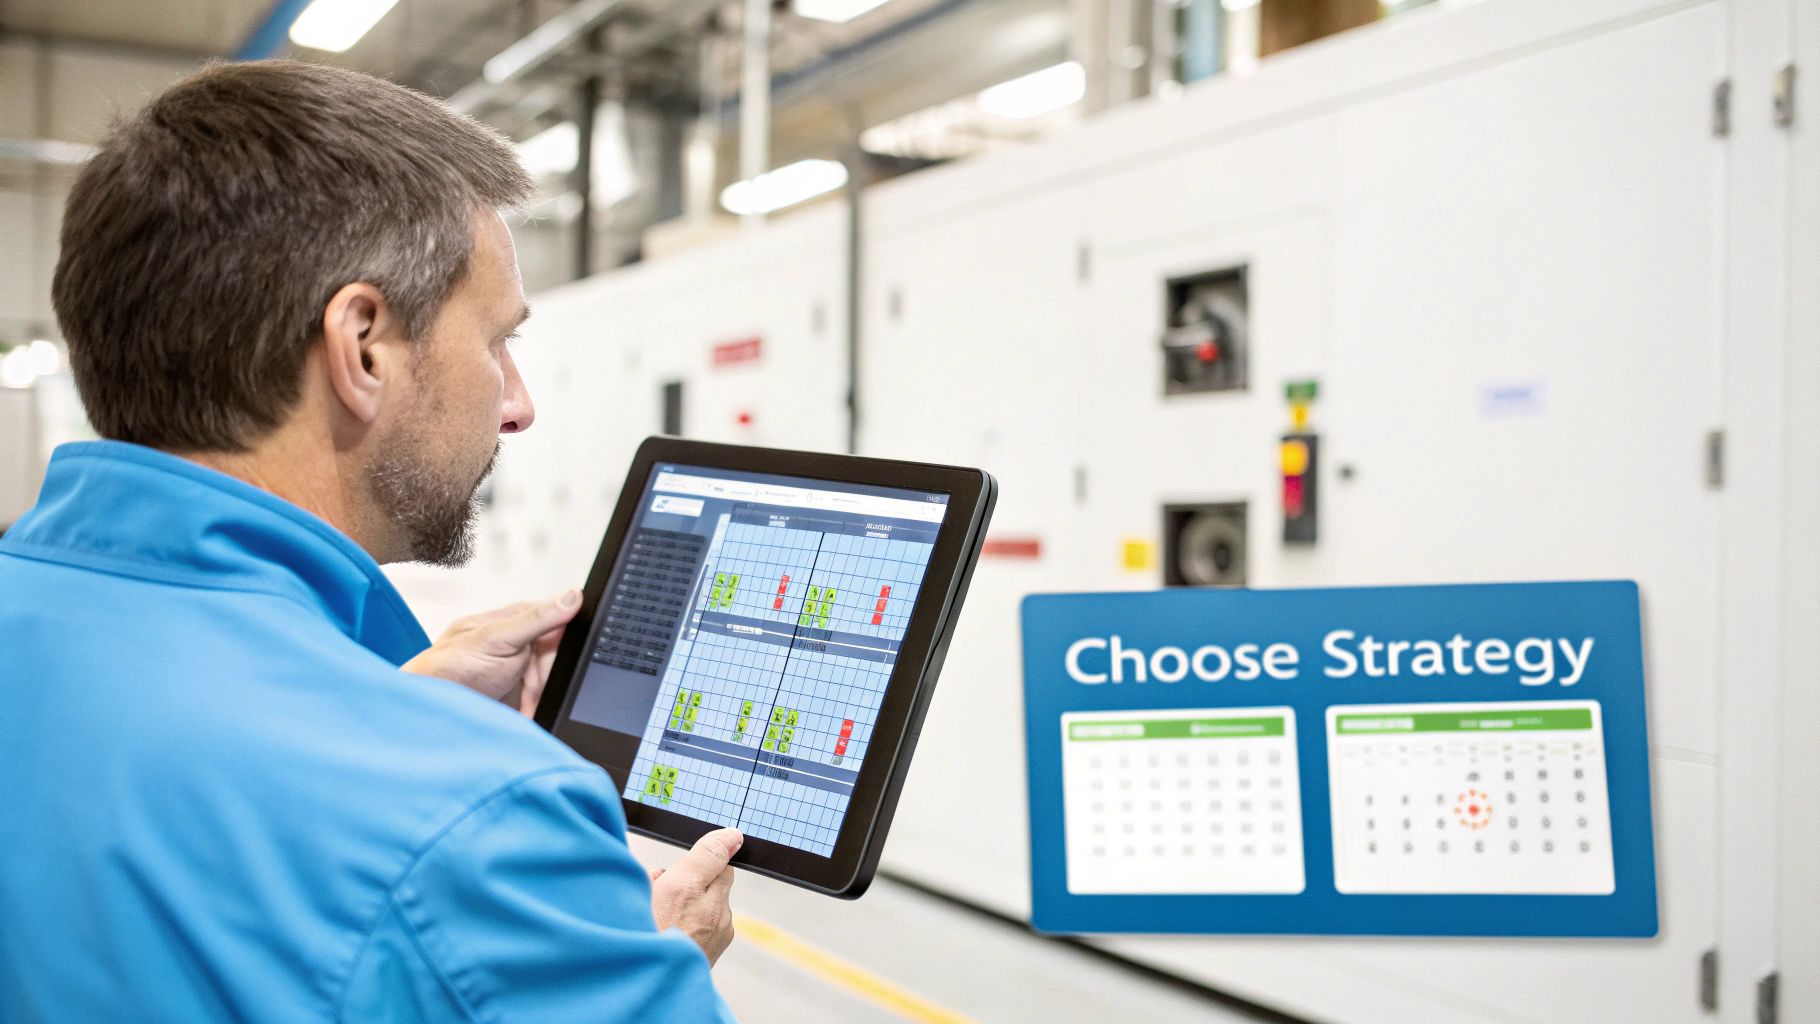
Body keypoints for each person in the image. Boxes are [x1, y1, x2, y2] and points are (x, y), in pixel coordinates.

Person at [0, 60, 740, 1022]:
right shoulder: (484, 820)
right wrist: (651, 967)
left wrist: (390, 706)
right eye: (496, 342)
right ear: (362, 347)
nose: (517, 405)